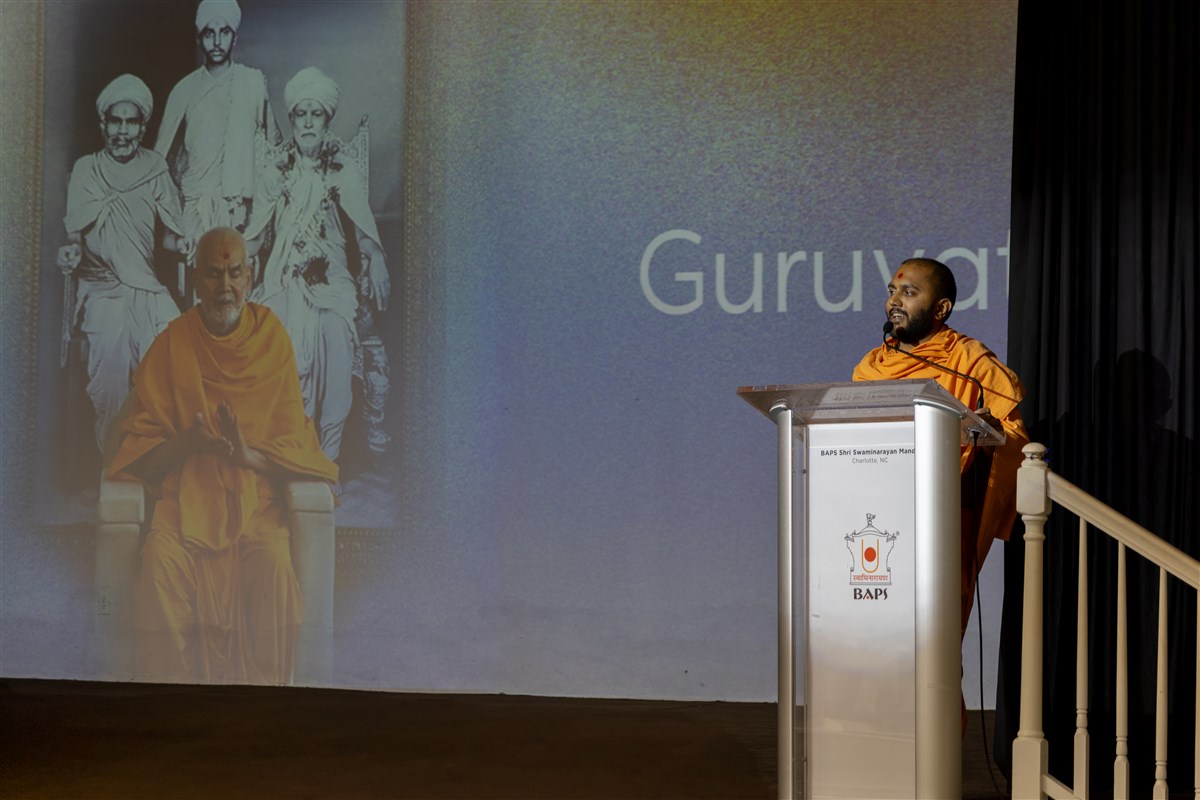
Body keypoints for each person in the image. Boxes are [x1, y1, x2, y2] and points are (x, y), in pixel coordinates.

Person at [108, 227, 338, 684]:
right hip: (183, 503)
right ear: (196, 280)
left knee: (274, 570)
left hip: (256, 503)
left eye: (235, 273)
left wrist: (246, 455)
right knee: (157, 571)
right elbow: (138, 459)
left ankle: (261, 722)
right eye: (214, 275)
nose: (225, 287)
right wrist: (187, 444)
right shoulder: (172, 344)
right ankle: (169, 720)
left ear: (250, 277)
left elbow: (295, 449)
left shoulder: (272, 341)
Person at [852, 257, 1029, 638]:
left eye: (909, 292)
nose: (895, 300)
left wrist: (985, 435)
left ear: (941, 308)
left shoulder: (970, 362)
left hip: (948, 508)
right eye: (892, 291)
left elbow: (1014, 435)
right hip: (880, 513)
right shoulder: (870, 367)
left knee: (935, 634)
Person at [246, 67, 390, 462]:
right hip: (283, 272)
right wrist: (233, 260)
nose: (308, 122)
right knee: (278, 332)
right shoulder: (274, 167)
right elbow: (256, 235)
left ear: (327, 119)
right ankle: (288, 453)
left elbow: (362, 230)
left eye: (316, 115)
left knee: (334, 334)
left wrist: (375, 254)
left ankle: (325, 461)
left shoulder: (342, 165)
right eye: (300, 115)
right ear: (291, 119)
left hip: (332, 273)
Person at [58, 74, 188, 451]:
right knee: (112, 366)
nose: (123, 131)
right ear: (104, 123)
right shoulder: (87, 169)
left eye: (132, 123)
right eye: (116, 121)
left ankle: (158, 461)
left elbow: (170, 237)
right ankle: (115, 463)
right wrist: (70, 250)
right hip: (103, 290)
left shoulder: (155, 169)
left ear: (143, 126)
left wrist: (191, 244)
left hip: (146, 287)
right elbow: (74, 235)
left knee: (178, 351)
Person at [155, 0, 279, 240]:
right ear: (199, 39)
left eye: (224, 32)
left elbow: (272, 148)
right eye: (209, 33)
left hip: (242, 210)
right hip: (195, 206)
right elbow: (161, 158)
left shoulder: (252, 82)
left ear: (234, 37)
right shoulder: (184, 89)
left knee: (238, 273)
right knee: (202, 272)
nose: (217, 41)